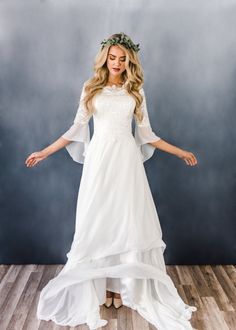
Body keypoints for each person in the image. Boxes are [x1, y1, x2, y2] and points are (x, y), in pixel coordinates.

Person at [25, 32, 198, 330]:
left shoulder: (136, 92)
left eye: (122, 59)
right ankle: (103, 286)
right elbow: (75, 128)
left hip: (126, 163)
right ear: (104, 58)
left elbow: (147, 135)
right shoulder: (91, 88)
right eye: (112, 57)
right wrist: (45, 152)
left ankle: (119, 287)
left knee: (125, 222)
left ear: (130, 61)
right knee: (99, 221)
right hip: (99, 163)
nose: (117, 63)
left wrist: (181, 152)